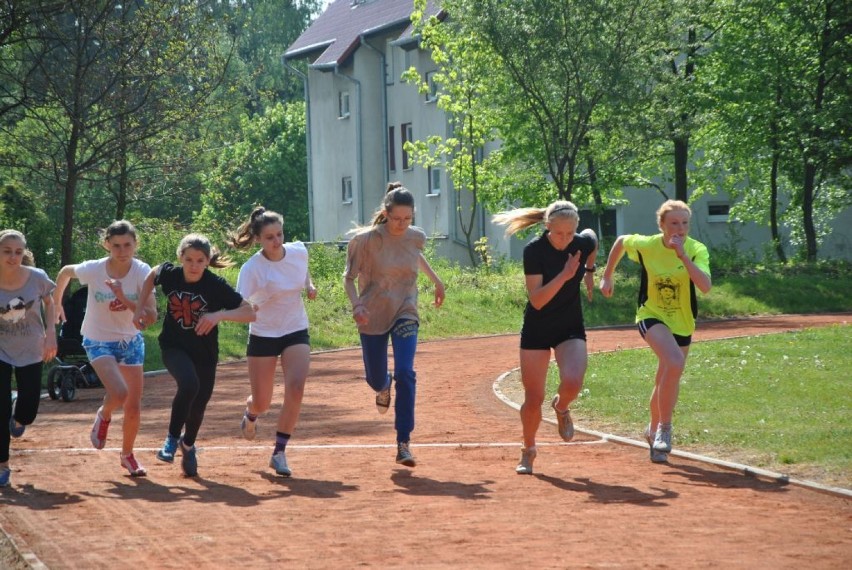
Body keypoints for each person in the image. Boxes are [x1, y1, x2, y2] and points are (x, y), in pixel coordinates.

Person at [599, 199, 711, 463]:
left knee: (666, 377)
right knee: (673, 362)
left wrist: (682, 255)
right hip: (650, 314)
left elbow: (705, 286)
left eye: (684, 223)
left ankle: (652, 430)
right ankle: (665, 428)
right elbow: (621, 241)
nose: (679, 229)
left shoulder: (696, 250)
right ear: (661, 225)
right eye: (673, 223)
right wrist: (607, 275)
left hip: (682, 322)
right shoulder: (648, 246)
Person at [133, 234, 255, 477]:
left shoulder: (214, 285)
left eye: (200, 260)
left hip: (205, 354)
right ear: (181, 258)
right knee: (189, 385)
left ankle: (187, 444)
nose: (194, 265)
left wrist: (218, 316)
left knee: (198, 407)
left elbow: (249, 312)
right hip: (173, 346)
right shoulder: (172, 274)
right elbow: (153, 274)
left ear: (208, 261)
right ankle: (170, 440)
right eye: (188, 259)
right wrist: (141, 306)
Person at [343, 182, 445, 468]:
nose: (402, 224)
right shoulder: (366, 241)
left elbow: (413, 256)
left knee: (405, 372)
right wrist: (357, 305)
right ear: (386, 214)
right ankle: (383, 386)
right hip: (372, 313)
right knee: (376, 378)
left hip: (405, 309)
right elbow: (348, 278)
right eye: (397, 218)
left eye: (408, 218)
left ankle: (403, 442)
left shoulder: (416, 237)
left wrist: (437, 281)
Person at [493, 201, 598, 475]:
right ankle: (528, 449)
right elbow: (537, 300)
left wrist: (589, 271)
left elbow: (593, 239)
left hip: (569, 325)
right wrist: (565, 275)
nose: (564, 239)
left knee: (573, 382)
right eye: (558, 233)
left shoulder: (581, 243)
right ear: (547, 226)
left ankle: (561, 408)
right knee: (533, 397)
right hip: (538, 327)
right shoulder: (534, 251)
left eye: (569, 233)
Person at [54, 220, 156, 477]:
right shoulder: (95, 269)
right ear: (107, 245)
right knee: (119, 392)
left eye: (127, 245)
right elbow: (66, 271)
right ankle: (105, 413)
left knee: (133, 406)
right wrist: (57, 304)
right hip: (97, 339)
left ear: (135, 245)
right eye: (116, 246)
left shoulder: (143, 272)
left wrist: (123, 298)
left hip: (131, 341)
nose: (122, 251)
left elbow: (151, 317)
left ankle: (127, 455)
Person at [229, 207, 317, 478]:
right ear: (258, 239)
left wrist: (310, 286)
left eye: (279, 234)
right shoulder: (252, 268)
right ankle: (251, 412)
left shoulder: (299, 251)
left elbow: (302, 272)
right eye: (269, 237)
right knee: (263, 402)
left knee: (296, 388)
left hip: (295, 329)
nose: (276, 241)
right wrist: (248, 309)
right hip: (263, 334)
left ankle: (279, 452)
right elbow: (239, 304)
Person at [0, 230, 57, 487]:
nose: (13, 257)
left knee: (29, 408)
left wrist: (51, 335)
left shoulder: (37, 277)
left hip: (32, 345)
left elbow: (50, 302)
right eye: (7, 251)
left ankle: (20, 418)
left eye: (18, 252)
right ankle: (2, 465)